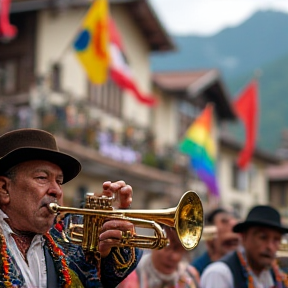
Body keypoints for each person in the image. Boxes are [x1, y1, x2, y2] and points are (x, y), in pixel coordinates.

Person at [0, 128, 142, 288]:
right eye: (42, 178)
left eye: (59, 181)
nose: (57, 190)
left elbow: (103, 277)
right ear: (4, 188)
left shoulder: (63, 242)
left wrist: (107, 241)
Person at [201, 205, 288, 288]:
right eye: (263, 237)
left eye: (276, 240)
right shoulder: (220, 274)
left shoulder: (274, 275)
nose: (270, 246)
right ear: (244, 237)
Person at [117, 225, 200, 288]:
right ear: (155, 241)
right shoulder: (129, 276)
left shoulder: (191, 274)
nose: (175, 257)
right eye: (167, 246)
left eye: (180, 249)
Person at [192, 207, 240, 276]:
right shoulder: (195, 271)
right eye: (225, 221)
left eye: (234, 242)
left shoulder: (243, 270)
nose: (232, 225)